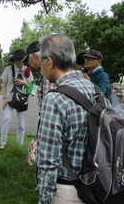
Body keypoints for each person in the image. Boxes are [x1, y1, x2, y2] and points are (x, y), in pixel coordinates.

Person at [36, 34, 95, 204]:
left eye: (41, 63)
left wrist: (44, 199)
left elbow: (48, 161)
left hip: (68, 190)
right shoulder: (94, 89)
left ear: (50, 61)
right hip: (95, 183)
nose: (41, 68)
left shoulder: (55, 99)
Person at [0, 49, 34, 149]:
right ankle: (3, 142)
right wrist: (4, 98)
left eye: (21, 60)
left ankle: (19, 145)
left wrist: (24, 83)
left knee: (21, 124)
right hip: (9, 99)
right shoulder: (8, 69)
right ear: (14, 60)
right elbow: (4, 85)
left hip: (23, 100)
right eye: (17, 60)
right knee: (6, 119)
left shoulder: (27, 70)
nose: (19, 62)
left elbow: (32, 88)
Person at [24, 41, 56, 109]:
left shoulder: (48, 74)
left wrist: (24, 83)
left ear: (34, 56)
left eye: (29, 60)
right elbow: (36, 91)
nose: (29, 63)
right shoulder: (43, 73)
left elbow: (49, 104)